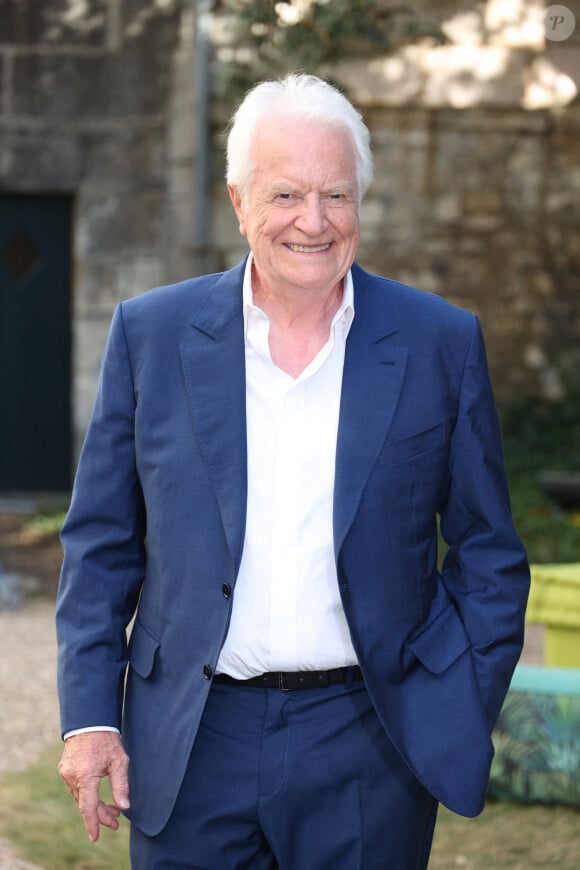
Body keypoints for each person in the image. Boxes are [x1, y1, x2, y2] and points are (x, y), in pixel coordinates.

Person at [56, 73, 530, 869]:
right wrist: (91, 719)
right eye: (284, 195)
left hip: (370, 744)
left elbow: (489, 553)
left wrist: (454, 699)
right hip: (194, 740)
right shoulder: (152, 335)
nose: (313, 222)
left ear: (360, 202)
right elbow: (101, 546)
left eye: (335, 195)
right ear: (239, 202)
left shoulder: (438, 343)